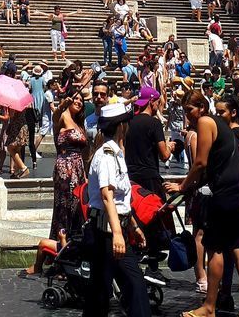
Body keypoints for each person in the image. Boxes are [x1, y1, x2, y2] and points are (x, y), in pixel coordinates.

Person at [166, 89, 239, 317]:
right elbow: (210, 170)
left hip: (225, 194)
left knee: (214, 247)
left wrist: (181, 186)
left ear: (201, 108)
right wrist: (190, 188)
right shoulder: (220, 124)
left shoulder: (206, 122)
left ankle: (209, 306)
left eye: (190, 110)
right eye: (185, 111)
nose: (188, 116)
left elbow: (200, 163)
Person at [82, 101, 150, 317]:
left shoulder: (116, 154)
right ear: (121, 126)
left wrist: (133, 226)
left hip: (114, 229)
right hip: (106, 233)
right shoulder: (107, 156)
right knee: (104, 291)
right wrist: (119, 234)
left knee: (121, 286)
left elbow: (121, 199)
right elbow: (107, 195)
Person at [50, 89, 88, 240]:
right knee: (66, 204)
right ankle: (62, 239)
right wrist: (61, 106)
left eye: (81, 100)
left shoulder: (78, 121)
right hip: (65, 167)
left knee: (77, 204)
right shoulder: (63, 116)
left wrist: (84, 174)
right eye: (76, 98)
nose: (79, 102)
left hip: (78, 168)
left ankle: (74, 238)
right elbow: (55, 118)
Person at [124, 86, 170, 197]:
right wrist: (169, 147)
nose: (158, 106)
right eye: (158, 103)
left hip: (130, 177)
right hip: (149, 178)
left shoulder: (127, 122)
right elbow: (164, 156)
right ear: (151, 102)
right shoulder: (154, 123)